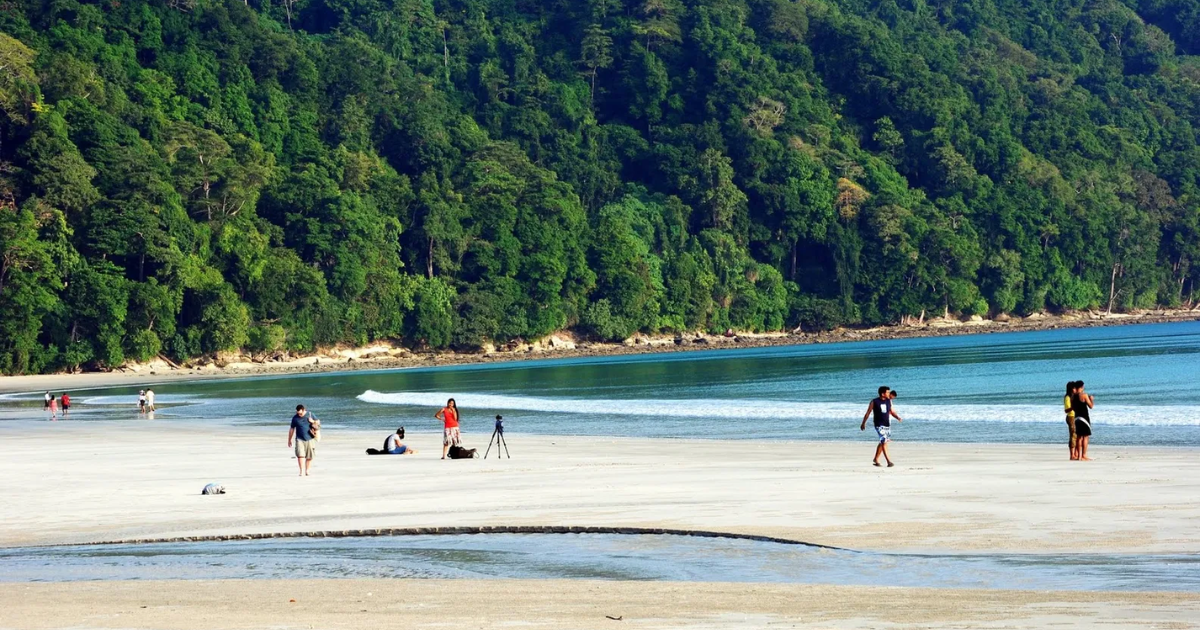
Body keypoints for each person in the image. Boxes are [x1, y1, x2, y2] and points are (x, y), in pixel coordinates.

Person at [861, 385, 903, 467]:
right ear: (883, 394)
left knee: (883, 442)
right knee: (884, 441)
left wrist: (897, 417)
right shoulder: (874, 402)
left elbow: (891, 412)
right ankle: (889, 461)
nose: (889, 393)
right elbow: (868, 413)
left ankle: (876, 459)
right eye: (887, 392)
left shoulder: (888, 401)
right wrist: (863, 423)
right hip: (879, 425)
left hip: (887, 424)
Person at [288, 404, 318, 476]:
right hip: (299, 439)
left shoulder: (310, 414)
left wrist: (313, 421)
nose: (299, 414)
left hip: (310, 438)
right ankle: (301, 471)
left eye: (301, 413)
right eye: (298, 413)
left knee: (309, 456)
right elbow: (292, 429)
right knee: (300, 455)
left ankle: (307, 471)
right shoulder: (295, 418)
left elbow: (318, 423)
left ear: (304, 410)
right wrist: (289, 439)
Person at [1072, 381, 1095, 461]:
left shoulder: (1073, 397)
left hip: (1076, 418)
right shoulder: (1084, 395)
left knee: (1079, 437)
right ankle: (1084, 455)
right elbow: (1091, 406)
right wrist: (1091, 399)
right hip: (1084, 418)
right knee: (1085, 436)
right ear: (1081, 387)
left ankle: (1078, 456)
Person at [1064, 381, 1078, 460]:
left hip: (1075, 416)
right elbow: (1066, 410)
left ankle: (1075, 453)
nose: (1075, 389)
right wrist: (1073, 407)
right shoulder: (1068, 397)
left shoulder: (1074, 396)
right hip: (1071, 416)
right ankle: (1072, 455)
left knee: (1076, 435)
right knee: (1073, 435)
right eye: (1074, 388)